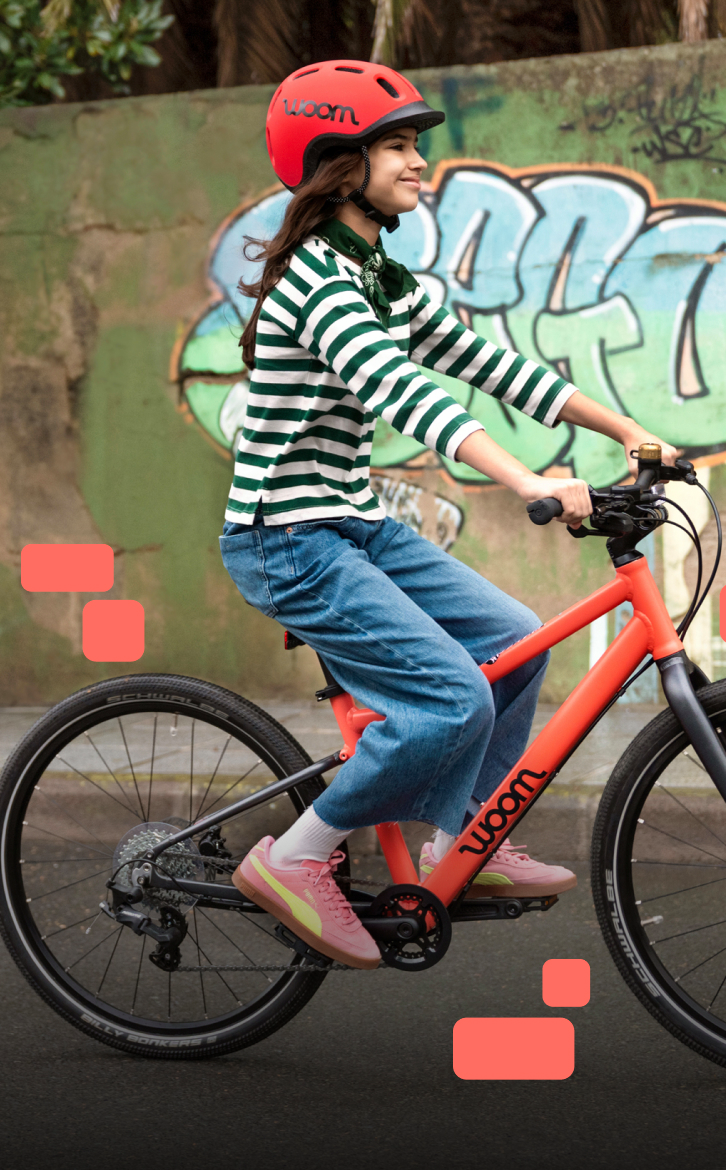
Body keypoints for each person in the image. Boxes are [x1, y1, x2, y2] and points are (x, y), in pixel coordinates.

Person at [219, 61, 679, 970]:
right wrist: (526, 480)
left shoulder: (377, 271)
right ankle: (298, 856)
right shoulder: (317, 278)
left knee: (516, 638)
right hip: (288, 539)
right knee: (448, 696)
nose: (418, 161)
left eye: (415, 144)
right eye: (397, 145)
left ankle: (461, 839)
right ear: (338, 162)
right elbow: (404, 393)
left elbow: (483, 360)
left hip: (349, 521)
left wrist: (627, 427)